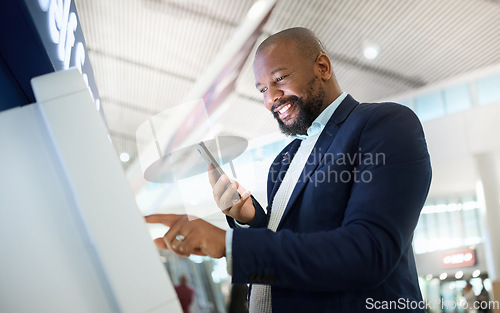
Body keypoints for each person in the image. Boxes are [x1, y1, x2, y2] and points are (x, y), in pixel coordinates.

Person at [146, 27, 432, 312]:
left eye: (279, 78)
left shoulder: (384, 124)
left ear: (322, 67)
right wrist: (249, 219)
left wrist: (230, 244)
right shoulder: (284, 159)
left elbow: (369, 252)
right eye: (262, 90)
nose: (271, 98)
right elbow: (297, 239)